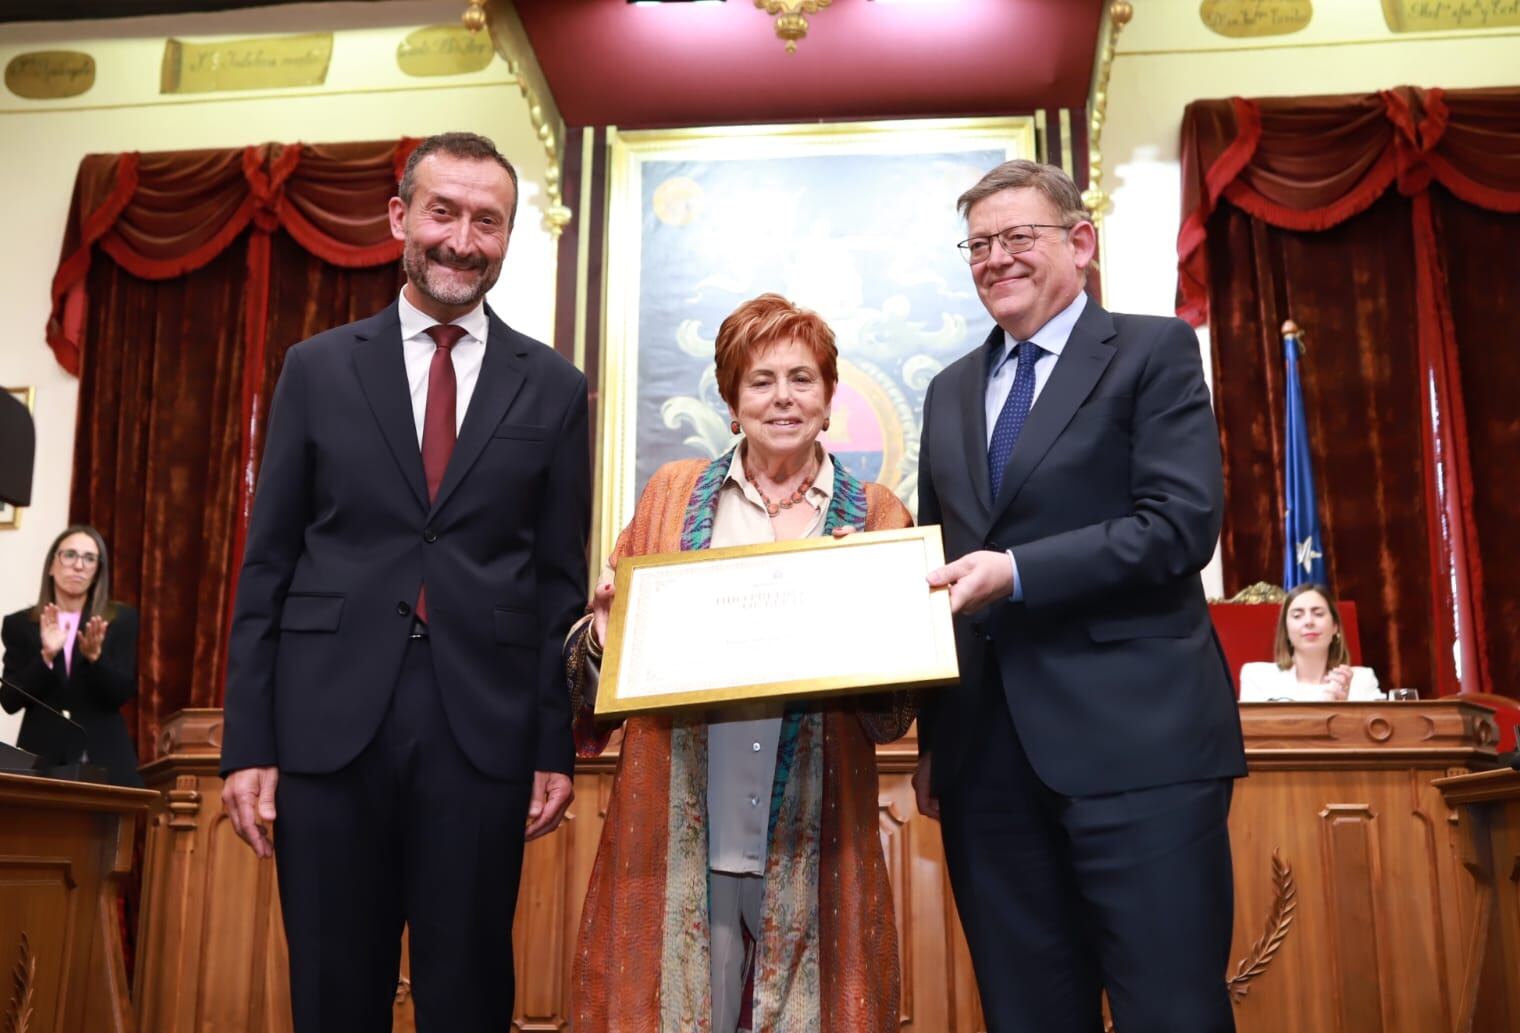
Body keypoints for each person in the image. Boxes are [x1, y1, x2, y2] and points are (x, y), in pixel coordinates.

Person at [218, 131, 590, 1033]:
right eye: (444, 212)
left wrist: (554, 744)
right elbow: (267, 564)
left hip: (481, 729)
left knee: (467, 994)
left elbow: (556, 583)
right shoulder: (316, 367)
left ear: (509, 236)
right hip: (327, 724)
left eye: (488, 221)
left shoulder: (554, 387)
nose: (464, 239)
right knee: (334, 992)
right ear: (399, 219)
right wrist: (248, 742)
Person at [914, 160, 1246, 1032]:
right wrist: (934, 739)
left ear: (1080, 243)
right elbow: (935, 560)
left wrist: (1016, 571)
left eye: (1019, 236)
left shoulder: (1152, 349)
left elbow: (1178, 526)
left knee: (1171, 1010)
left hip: (1141, 752)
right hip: (987, 767)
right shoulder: (949, 391)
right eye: (979, 244)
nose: (996, 259)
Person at [567, 293, 910, 1033]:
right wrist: (602, 631)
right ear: (731, 399)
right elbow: (604, 685)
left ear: (827, 399)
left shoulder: (878, 514)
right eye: (760, 380)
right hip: (682, 831)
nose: (782, 397)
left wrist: (899, 631)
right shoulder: (670, 495)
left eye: (801, 378)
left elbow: (891, 714)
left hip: (820, 836)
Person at [0, 524, 142, 786]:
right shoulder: (19, 624)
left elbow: (122, 693)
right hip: (41, 760)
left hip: (104, 758)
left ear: (97, 571)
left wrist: (95, 659)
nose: (79, 566)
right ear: (52, 566)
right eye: (70, 555)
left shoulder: (121, 620)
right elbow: (8, 700)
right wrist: (46, 658)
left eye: (89, 558)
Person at [1240, 582, 1382, 701]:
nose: (1308, 622)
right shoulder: (1257, 677)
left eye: (1318, 614)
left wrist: (1343, 710)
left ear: (1335, 627)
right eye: (1297, 615)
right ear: (1286, 631)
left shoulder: (1362, 680)